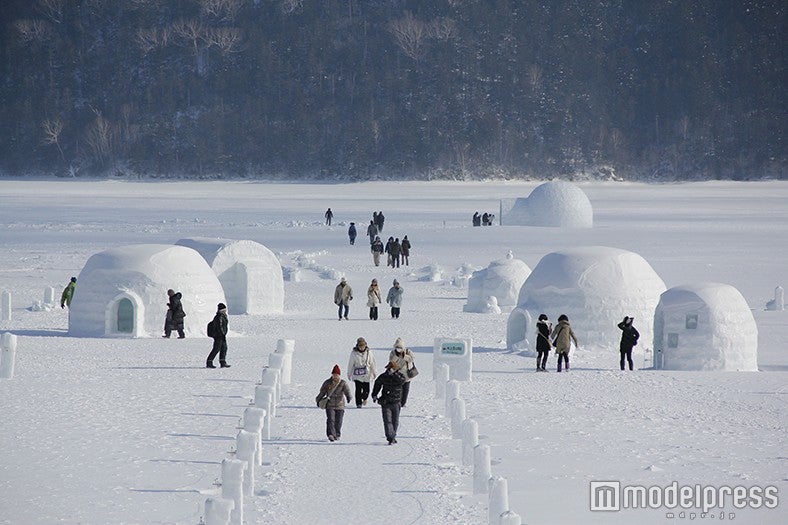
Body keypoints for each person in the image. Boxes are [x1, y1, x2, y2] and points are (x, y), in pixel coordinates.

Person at [371, 360, 407, 445]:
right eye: (389, 368)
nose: (390, 370)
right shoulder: (383, 376)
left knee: (395, 421)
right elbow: (377, 384)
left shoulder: (400, 376)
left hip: (396, 402)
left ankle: (393, 436)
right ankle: (390, 437)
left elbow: (402, 381)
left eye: (392, 368)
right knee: (387, 421)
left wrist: (394, 375)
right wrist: (374, 395)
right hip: (386, 402)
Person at [315, 364, 352, 441]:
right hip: (330, 405)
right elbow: (322, 392)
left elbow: (347, 391)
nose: (335, 376)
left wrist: (349, 397)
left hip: (340, 405)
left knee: (339, 421)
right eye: (334, 374)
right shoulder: (327, 383)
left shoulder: (343, 383)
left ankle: (337, 434)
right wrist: (318, 399)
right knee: (330, 420)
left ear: (339, 375)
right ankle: (330, 434)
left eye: (337, 375)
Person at [347, 337, 377, 408]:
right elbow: (351, 364)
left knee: (367, 391)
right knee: (358, 390)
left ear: (365, 345)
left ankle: (365, 398)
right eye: (360, 346)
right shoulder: (354, 353)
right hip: (357, 375)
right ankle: (358, 403)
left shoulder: (369, 352)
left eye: (362, 346)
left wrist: (374, 372)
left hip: (367, 374)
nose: (361, 348)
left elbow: (372, 363)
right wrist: (349, 373)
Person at [388, 338, 415, 407]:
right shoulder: (393, 353)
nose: (398, 349)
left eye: (400, 347)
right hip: (397, 375)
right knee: (398, 390)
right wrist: (396, 356)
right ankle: (398, 403)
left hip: (407, 375)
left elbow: (412, 359)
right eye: (397, 347)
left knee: (405, 390)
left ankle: (403, 403)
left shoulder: (408, 352)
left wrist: (404, 356)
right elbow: (391, 362)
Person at [206, 303, 230, 368]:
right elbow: (220, 326)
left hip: (222, 335)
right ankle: (209, 362)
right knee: (216, 349)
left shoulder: (223, 316)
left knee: (224, 348)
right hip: (219, 336)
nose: (225, 311)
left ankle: (222, 362)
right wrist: (222, 334)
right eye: (224, 310)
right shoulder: (219, 316)